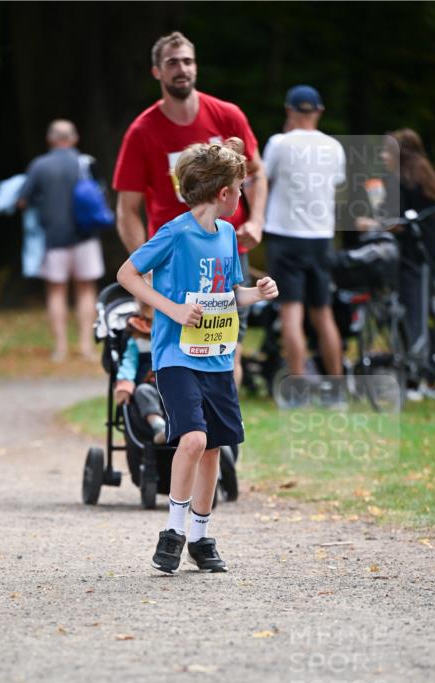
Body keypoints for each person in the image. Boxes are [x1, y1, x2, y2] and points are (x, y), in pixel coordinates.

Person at [117, 141, 278, 574]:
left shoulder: (227, 235)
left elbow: (229, 294)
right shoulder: (175, 232)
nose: (242, 196)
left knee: (213, 449)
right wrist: (168, 308)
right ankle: (172, 531)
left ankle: (201, 537)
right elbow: (127, 273)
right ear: (224, 193)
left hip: (218, 358)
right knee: (193, 439)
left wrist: (256, 294)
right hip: (177, 355)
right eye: (240, 189)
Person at [112, 30, 267, 387]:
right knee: (179, 349)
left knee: (228, 348)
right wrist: (145, 266)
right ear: (157, 72)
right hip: (174, 258)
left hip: (227, 248)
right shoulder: (143, 131)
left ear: (196, 66)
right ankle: (185, 429)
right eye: (171, 63)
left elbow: (257, 174)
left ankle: (224, 440)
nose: (181, 69)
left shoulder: (227, 115)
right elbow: (127, 210)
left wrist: (257, 221)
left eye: (187, 61)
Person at [262, 85, 346, 385]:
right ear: (319, 112)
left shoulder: (279, 143)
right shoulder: (334, 147)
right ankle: (336, 386)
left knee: (291, 314)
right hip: (322, 237)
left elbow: (261, 181)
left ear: (289, 111)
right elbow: (336, 182)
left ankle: (297, 387)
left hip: (286, 236)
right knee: (323, 314)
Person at [357, 129, 435, 400]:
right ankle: (430, 375)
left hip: (408, 258)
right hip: (430, 254)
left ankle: (416, 378)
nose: (383, 156)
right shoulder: (426, 176)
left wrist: (370, 221)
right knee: (425, 311)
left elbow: (394, 222)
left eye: (387, 150)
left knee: (411, 315)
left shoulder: (399, 181)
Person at [19, 120, 105, 363]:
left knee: (56, 292)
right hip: (86, 236)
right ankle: (87, 347)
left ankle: (60, 349)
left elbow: (23, 200)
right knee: (86, 289)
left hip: (53, 238)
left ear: (50, 139)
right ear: (74, 138)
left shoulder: (39, 165)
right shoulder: (86, 162)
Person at [114, 330, 166, 444]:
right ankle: (159, 426)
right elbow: (129, 363)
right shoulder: (138, 340)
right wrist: (125, 384)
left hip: (172, 386)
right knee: (143, 391)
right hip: (148, 387)